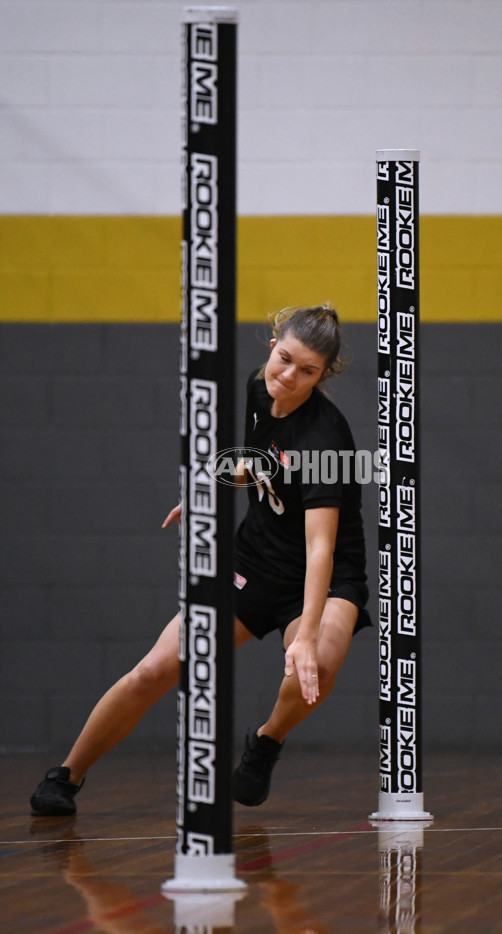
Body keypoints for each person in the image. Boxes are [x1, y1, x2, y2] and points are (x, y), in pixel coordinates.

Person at [30, 305, 371, 816]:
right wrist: (207, 485)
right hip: (254, 561)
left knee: (317, 661)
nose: (289, 377)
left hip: (323, 573)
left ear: (325, 375)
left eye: (308, 372)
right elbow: (260, 462)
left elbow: (321, 545)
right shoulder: (261, 387)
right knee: (154, 670)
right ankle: (67, 776)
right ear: (274, 344)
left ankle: (267, 741)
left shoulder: (323, 436)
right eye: (285, 359)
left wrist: (303, 634)